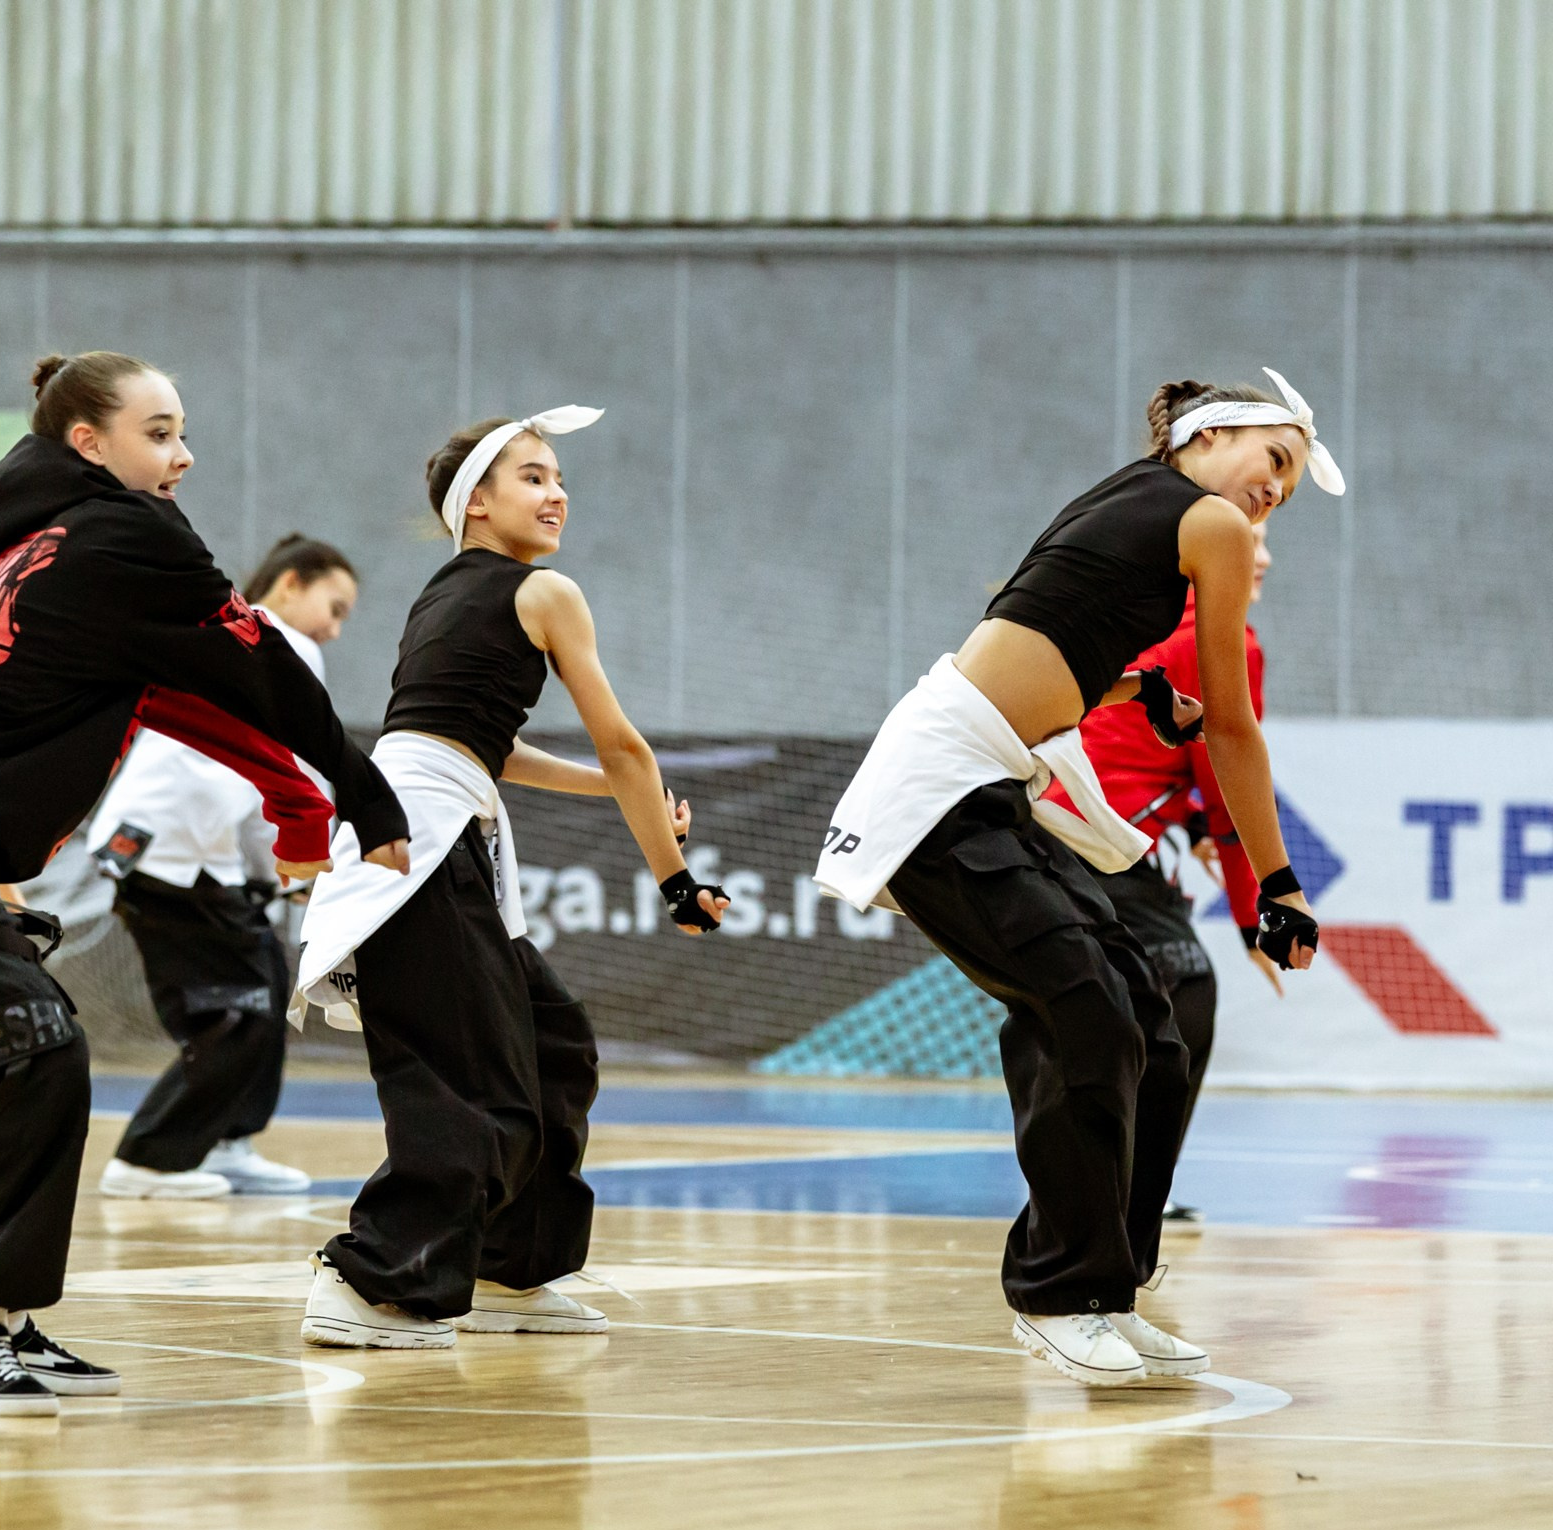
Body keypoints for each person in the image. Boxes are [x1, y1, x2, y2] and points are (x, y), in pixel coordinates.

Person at [0, 351, 411, 1415]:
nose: (184, 454)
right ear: (89, 442)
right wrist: (363, 794)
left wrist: (308, 800)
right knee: (32, 1053)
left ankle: (2, 1322)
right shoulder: (129, 534)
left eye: (182, 432)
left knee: (23, 1057)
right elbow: (258, 664)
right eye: (161, 432)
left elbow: (190, 699)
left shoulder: (55, 536)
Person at [814, 369, 1339, 1388]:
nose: (1279, 487)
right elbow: (1233, 727)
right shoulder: (1211, 527)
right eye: (1275, 459)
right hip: (943, 785)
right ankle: (1058, 1295)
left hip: (1001, 781)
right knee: (1087, 1012)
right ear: (1213, 433)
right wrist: (1279, 883)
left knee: (1148, 1018)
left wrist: (1138, 687)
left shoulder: (1127, 499)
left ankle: (1108, 1288)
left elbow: (1036, 630)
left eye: (1293, 479)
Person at [290, 406, 727, 1350]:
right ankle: (373, 1284)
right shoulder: (549, 593)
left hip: (433, 829)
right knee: (468, 1076)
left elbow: (491, 745)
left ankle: (507, 1271)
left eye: (559, 475)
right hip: (422, 842)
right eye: (533, 476)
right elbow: (623, 743)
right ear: (476, 505)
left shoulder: (447, 591)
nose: (557, 491)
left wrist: (616, 794)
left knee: (552, 1043)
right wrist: (676, 880)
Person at [88, 533, 362, 1201]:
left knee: (264, 985)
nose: (335, 627)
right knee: (234, 1008)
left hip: (190, 856)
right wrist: (313, 866)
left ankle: (226, 1140)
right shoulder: (281, 644)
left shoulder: (235, 638)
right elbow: (303, 769)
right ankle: (146, 1161)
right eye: (336, 605)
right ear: (292, 583)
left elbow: (254, 781)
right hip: (161, 848)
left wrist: (274, 878)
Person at [1049, 522, 1277, 1231]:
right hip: (1101, 841)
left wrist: (1189, 825)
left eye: (1267, 541)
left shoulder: (1147, 623)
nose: (1262, 556)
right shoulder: (1229, 643)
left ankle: (1097, 1189)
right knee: (1188, 989)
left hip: (1058, 827)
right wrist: (1252, 918)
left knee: (1115, 1011)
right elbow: (1232, 789)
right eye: (1250, 537)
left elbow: (1150, 751)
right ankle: (1127, 1195)